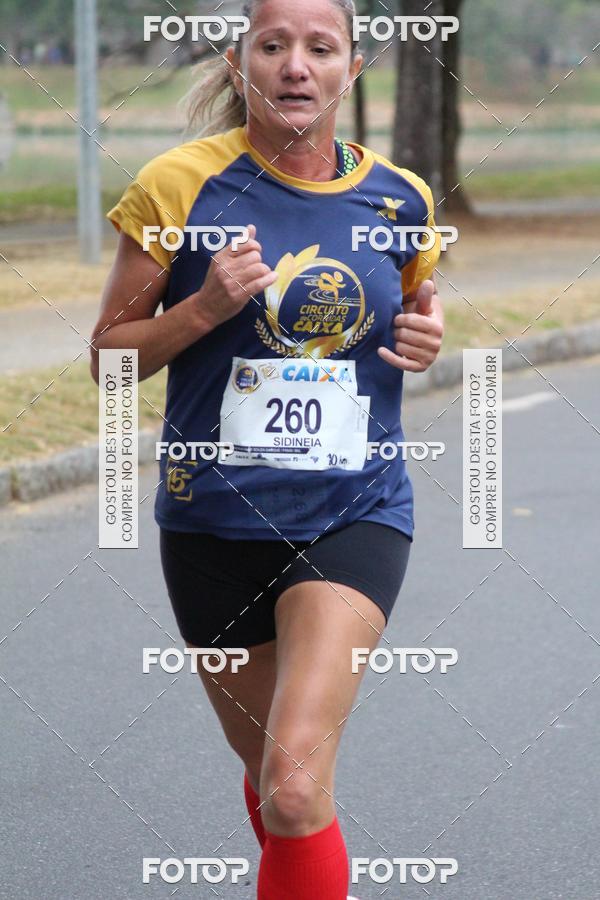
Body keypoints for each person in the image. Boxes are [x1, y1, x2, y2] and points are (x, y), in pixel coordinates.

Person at [90, 0, 444, 896]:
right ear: (238, 61)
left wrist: (423, 343)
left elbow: (410, 319)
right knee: (276, 779)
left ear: (351, 69)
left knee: (291, 786)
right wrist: (204, 308)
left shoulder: (402, 199)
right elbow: (109, 361)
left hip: (353, 512)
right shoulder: (179, 188)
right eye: (273, 45)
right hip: (210, 520)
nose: (295, 65)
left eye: (320, 48)